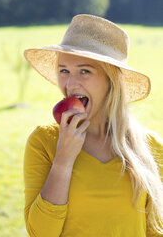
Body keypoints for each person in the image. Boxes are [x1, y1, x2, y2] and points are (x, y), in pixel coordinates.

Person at [23, 14, 163, 237]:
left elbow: (155, 231)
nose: (70, 84)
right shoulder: (44, 142)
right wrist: (63, 160)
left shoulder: (150, 147)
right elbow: (40, 233)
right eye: (64, 70)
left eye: (85, 71)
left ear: (111, 80)